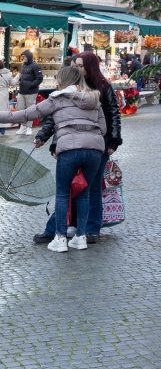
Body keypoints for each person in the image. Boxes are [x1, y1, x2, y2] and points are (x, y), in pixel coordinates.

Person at [0, 65, 106, 251]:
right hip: (94, 151)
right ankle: (81, 237)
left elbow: (26, 114)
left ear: (62, 80)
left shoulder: (57, 98)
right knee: (83, 193)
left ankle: (60, 238)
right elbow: (103, 128)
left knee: (63, 194)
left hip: (69, 150)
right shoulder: (94, 99)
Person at [33, 51, 123, 245]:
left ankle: (91, 229)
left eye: (81, 66)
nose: (78, 69)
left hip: (98, 143)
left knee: (91, 187)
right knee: (69, 188)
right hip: (72, 143)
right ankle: (56, 229)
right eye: (76, 66)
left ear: (90, 66)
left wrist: (114, 140)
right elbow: (57, 118)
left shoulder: (103, 86)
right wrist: (45, 137)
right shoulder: (69, 89)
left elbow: (113, 114)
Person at [15, 49, 43, 135]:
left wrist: (31, 85)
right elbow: (21, 76)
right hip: (22, 91)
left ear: (28, 57)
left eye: (24, 56)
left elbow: (39, 78)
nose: (23, 58)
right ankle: (23, 126)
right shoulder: (23, 65)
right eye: (22, 56)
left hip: (31, 92)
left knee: (30, 109)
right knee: (20, 108)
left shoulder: (35, 66)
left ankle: (29, 127)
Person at [0, 59, 16, 135]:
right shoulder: (8, 73)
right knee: (3, 111)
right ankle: (2, 130)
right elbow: (12, 83)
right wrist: (18, 77)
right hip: (4, 94)